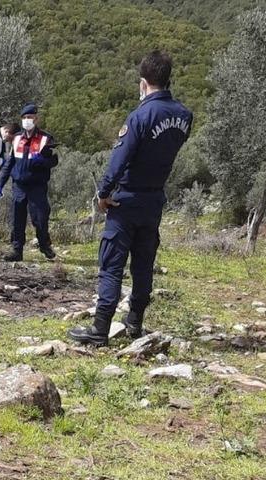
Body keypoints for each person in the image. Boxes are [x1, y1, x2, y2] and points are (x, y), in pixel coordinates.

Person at [68, 51, 193, 346]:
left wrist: (103, 193)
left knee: (112, 263)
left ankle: (100, 329)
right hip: (154, 200)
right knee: (143, 264)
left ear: (143, 82)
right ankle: (135, 322)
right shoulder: (184, 116)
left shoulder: (141, 116)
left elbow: (119, 158)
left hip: (125, 200)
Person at [0, 103, 59, 262]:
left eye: (30, 117)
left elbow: (54, 161)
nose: (27, 120)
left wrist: (42, 161)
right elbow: (9, 163)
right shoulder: (16, 138)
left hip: (37, 186)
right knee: (17, 219)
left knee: (40, 218)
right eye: (24, 118)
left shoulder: (46, 138)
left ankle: (44, 245)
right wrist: (0, 183)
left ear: (36, 119)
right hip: (19, 186)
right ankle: (17, 251)